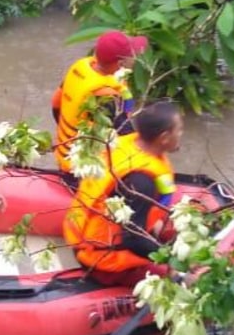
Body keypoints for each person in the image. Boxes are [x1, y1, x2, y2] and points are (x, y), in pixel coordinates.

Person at [63, 101, 188, 288]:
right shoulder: (141, 182)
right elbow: (132, 239)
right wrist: (173, 261)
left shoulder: (126, 143)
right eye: (179, 130)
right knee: (182, 279)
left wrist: (155, 223)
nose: (181, 134)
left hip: (86, 234)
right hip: (102, 259)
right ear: (163, 137)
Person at [51, 30, 148, 174]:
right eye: (133, 55)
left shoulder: (80, 67)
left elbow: (55, 104)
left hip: (62, 153)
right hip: (81, 168)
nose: (136, 57)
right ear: (121, 63)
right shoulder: (105, 97)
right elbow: (120, 136)